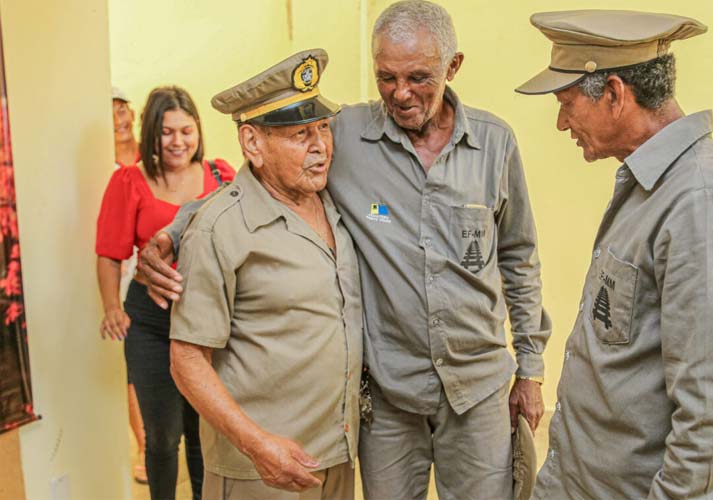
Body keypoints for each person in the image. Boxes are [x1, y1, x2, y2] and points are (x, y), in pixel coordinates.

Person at [140, 2, 550, 498]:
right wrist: (174, 231)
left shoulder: (495, 144)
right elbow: (252, 183)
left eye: (418, 77)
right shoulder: (347, 133)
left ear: (453, 66)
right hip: (390, 396)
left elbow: (519, 258)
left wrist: (530, 367)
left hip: (477, 388)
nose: (400, 93)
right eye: (386, 77)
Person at [515, 10, 713, 499]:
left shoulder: (703, 203)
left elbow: (708, 429)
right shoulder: (653, 188)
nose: (560, 123)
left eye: (566, 103)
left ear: (615, 94)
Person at [168, 48, 362, 500]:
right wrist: (257, 446)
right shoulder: (220, 229)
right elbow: (187, 359)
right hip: (262, 470)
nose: (321, 146)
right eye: (300, 134)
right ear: (253, 143)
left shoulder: (337, 201)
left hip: (335, 453)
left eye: (323, 129)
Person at [96, 85, 235, 500]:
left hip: (205, 318)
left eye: (186, 131)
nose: (178, 141)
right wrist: (110, 308)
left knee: (201, 432)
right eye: (168, 132)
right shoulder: (130, 181)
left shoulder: (220, 176)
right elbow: (108, 253)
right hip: (151, 320)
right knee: (161, 436)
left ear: (198, 131)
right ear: (152, 133)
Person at [109, 85, 146, 484]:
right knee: (135, 368)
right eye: (111, 111)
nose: (120, 118)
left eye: (124, 109)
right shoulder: (100, 167)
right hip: (124, 278)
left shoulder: (149, 158)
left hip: (164, 271)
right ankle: (146, 444)